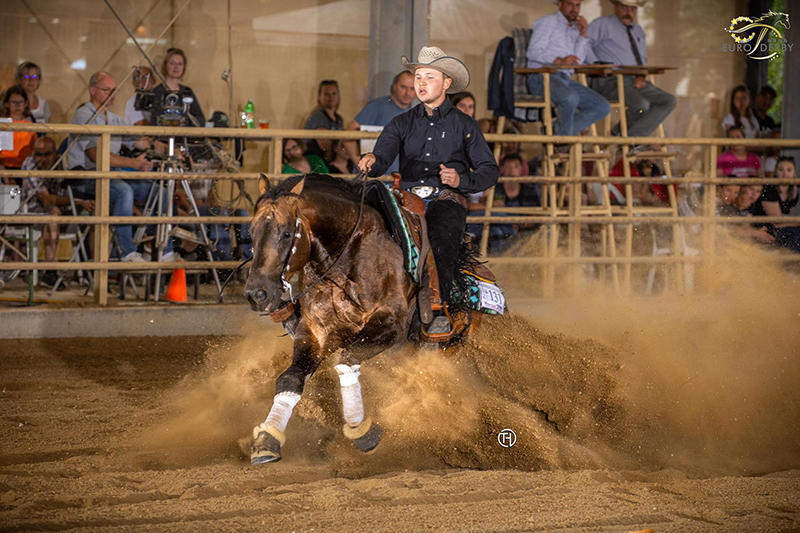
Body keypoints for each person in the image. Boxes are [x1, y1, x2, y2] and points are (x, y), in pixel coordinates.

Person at [357, 46, 499, 335]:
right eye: (418, 77)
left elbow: (489, 170)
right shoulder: (401, 123)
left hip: (446, 200)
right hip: (406, 199)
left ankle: (438, 308)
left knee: (440, 241)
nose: (420, 83)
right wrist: (372, 161)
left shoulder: (466, 125)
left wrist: (460, 180)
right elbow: (382, 156)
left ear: (446, 83)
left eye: (429, 77)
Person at [67, 71, 177, 263]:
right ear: (92, 90)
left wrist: (171, 150)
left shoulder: (114, 118)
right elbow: (96, 155)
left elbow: (140, 142)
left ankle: (166, 251)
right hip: (86, 176)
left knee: (161, 193)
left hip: (111, 176)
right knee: (124, 191)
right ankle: (127, 252)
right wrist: (134, 163)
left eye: (113, 90)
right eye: (106, 90)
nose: (111, 94)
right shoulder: (84, 114)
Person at [587, 0, 677, 137]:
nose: (629, 13)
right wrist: (595, 63)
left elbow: (641, 58)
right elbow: (584, 43)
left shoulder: (638, 30)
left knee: (668, 100)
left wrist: (641, 75)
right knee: (641, 106)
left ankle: (629, 138)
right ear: (616, 7)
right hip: (609, 80)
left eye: (633, 9)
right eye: (624, 8)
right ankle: (626, 139)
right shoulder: (603, 24)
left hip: (633, 80)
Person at [526, 0, 610, 136]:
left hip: (564, 79)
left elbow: (578, 60)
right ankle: (562, 141)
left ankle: (557, 133)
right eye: (570, 4)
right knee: (570, 98)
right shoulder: (548, 21)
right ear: (560, 4)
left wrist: (583, 35)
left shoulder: (574, 28)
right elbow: (532, 52)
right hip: (541, 77)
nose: (574, 9)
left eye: (577, 5)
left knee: (602, 106)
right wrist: (558, 60)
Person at [21, 137, 95, 287]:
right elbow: (46, 200)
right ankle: (50, 270)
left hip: (61, 210)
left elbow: (64, 193)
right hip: (33, 212)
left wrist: (83, 204)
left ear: (55, 153)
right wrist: (79, 202)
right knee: (53, 213)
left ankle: (93, 270)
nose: (43, 159)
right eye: (38, 154)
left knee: (94, 214)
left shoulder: (60, 163)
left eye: (47, 154)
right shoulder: (29, 164)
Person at [345, 71, 416, 171]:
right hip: (372, 179)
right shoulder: (377, 106)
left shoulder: (415, 113)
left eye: (412, 88)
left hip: (398, 179)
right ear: (394, 87)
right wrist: (359, 163)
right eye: (403, 87)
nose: (407, 93)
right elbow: (349, 132)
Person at [149, 48, 205, 127]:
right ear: (165, 65)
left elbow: (200, 119)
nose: (176, 67)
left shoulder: (187, 91)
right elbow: (153, 120)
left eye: (180, 64)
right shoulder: (157, 92)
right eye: (172, 63)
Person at [304, 80, 344, 160]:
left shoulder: (339, 118)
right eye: (326, 94)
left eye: (334, 93)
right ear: (319, 96)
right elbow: (324, 146)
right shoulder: (318, 116)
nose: (331, 97)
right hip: (317, 159)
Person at [0, 86, 37, 170]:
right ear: (7, 104)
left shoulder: (31, 125)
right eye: (14, 102)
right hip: (4, 166)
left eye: (20, 102)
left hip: (26, 167)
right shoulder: (2, 124)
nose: (17, 106)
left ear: (26, 104)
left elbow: (34, 150)